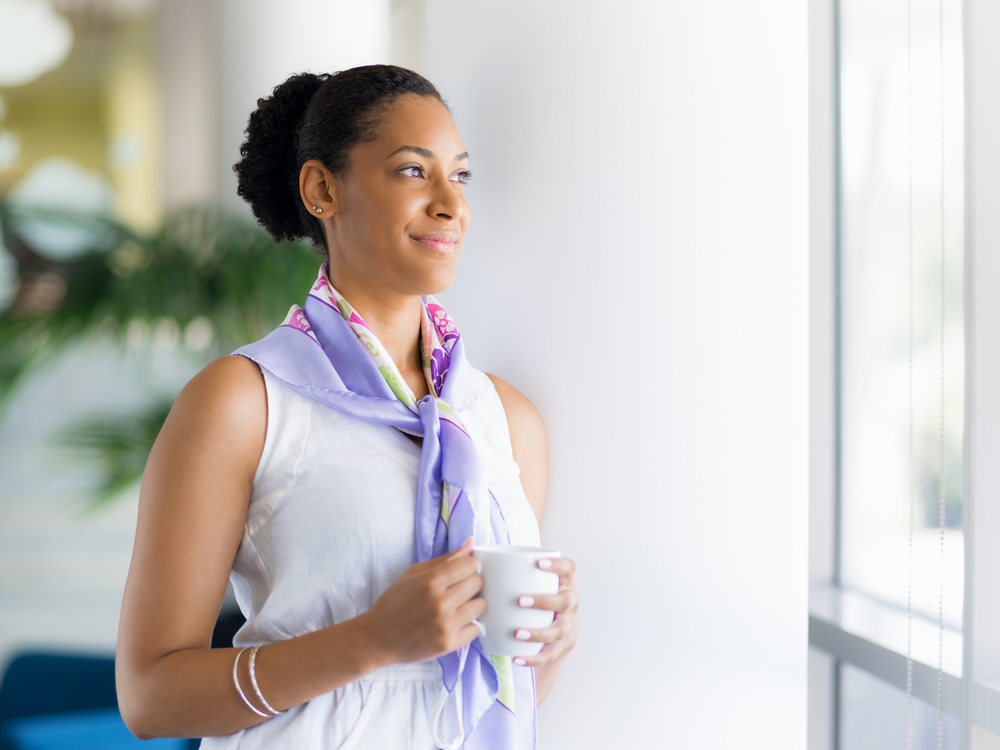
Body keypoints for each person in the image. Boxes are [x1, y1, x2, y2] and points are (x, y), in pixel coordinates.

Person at [116, 65, 579, 749]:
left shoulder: (506, 421)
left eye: (461, 175)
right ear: (322, 189)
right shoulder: (243, 401)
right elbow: (151, 697)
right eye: (413, 173)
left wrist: (545, 651)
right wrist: (373, 640)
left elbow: (485, 696)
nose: (451, 203)